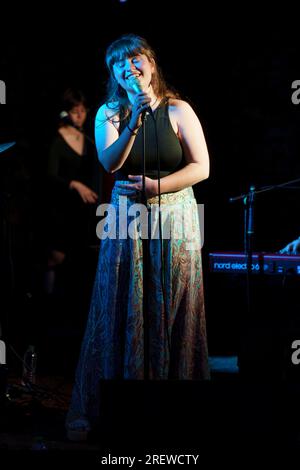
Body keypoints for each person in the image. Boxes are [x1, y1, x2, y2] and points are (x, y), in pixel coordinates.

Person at [66, 34, 210, 441]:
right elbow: (110, 160)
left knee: (170, 307)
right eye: (118, 64)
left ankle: (175, 411)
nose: (128, 67)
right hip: (126, 221)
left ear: (150, 63)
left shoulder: (179, 109)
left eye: (135, 59)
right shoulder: (109, 113)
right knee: (125, 305)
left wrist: (157, 189)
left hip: (175, 217)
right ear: (113, 74)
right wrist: (134, 121)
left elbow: (202, 167)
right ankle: (121, 406)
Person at [45, 88, 99, 295]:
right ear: (66, 112)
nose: (80, 115)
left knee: (82, 258)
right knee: (56, 257)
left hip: (84, 209)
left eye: (83, 110)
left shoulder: (88, 138)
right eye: (75, 111)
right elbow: (50, 176)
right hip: (61, 207)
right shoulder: (57, 138)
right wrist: (74, 184)